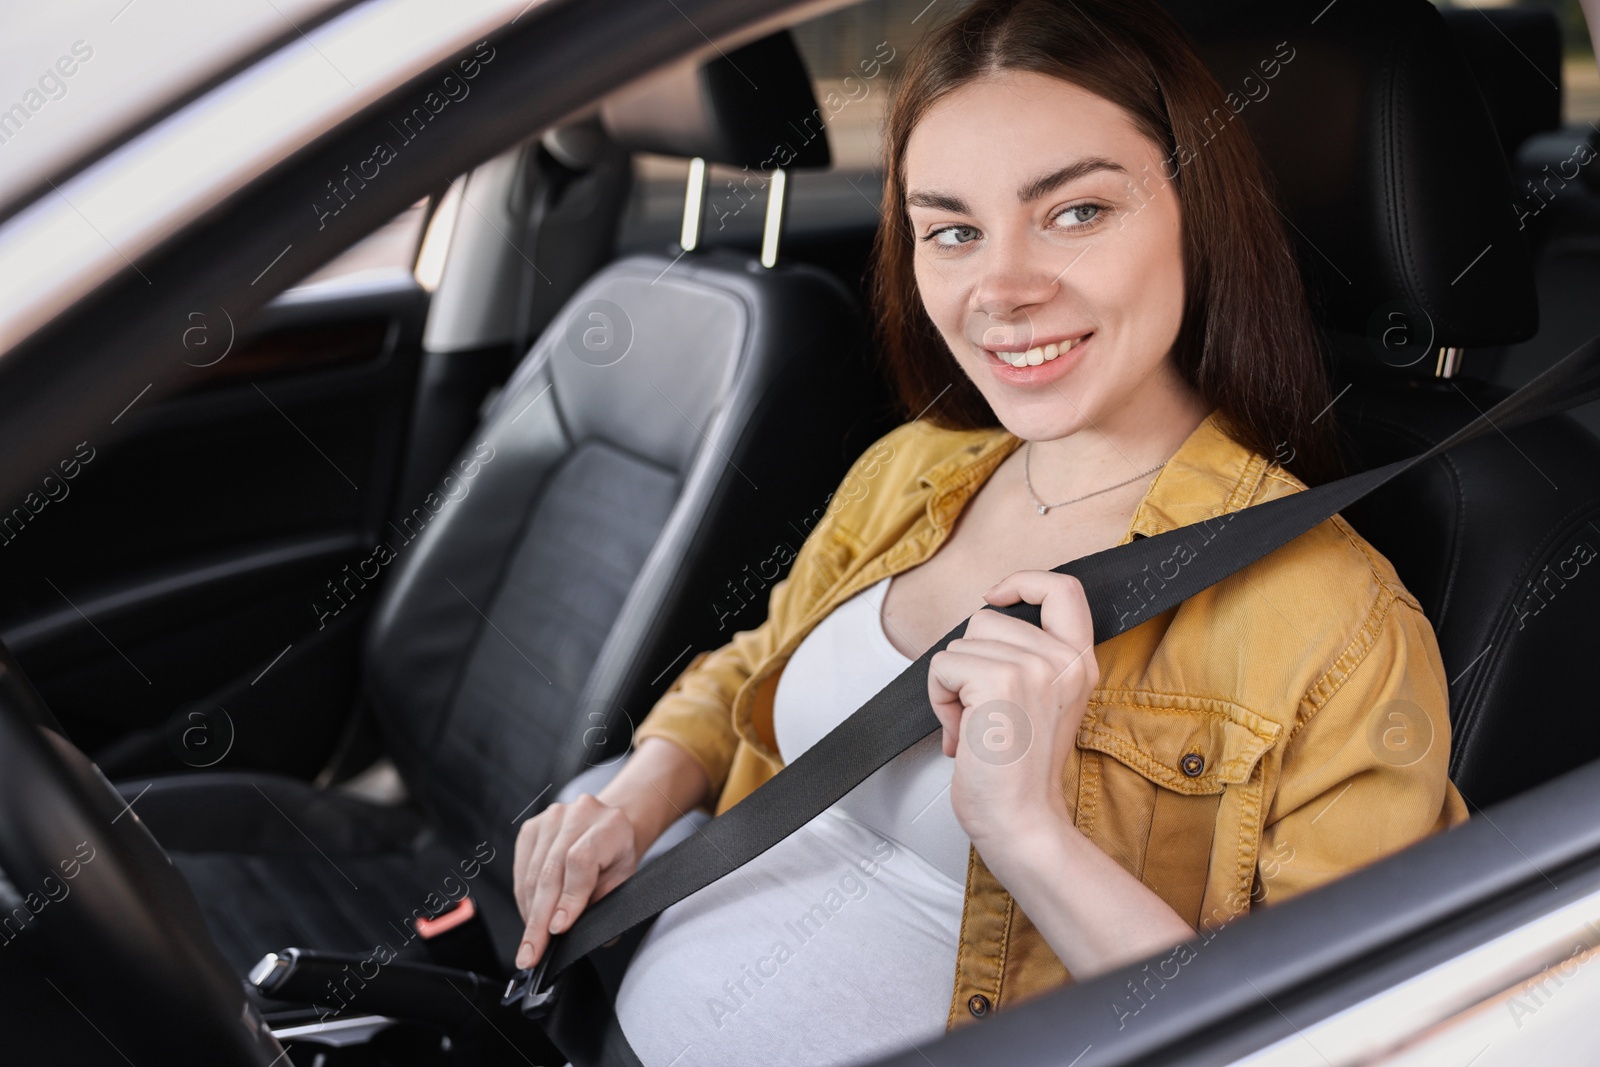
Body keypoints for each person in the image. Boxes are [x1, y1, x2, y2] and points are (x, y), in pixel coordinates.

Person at [510, 0, 1470, 1063]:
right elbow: (754, 661)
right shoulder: (910, 468)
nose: (1002, 291)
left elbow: (1347, 1034)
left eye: (1075, 212)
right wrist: (633, 798)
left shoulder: (1337, 627)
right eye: (953, 230)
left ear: (1198, 210)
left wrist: (1032, 837)